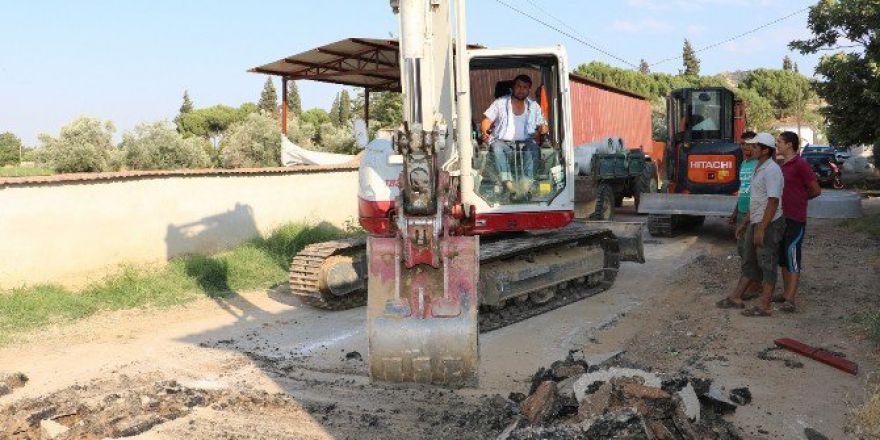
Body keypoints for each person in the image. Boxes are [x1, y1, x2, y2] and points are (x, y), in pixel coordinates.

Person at [717, 133, 786, 316]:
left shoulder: (772, 170)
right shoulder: (758, 167)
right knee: (749, 259)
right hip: (756, 220)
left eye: (755, 147)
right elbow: (756, 200)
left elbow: (773, 201)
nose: (751, 149)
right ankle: (736, 297)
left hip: (768, 223)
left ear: (765, 150)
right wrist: (745, 222)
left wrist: (762, 228)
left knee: (767, 262)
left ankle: (764, 305)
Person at [480, 74, 549, 198]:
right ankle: (510, 187)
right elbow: (486, 121)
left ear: (529, 90)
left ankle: (526, 187)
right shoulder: (500, 103)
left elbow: (542, 125)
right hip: (503, 142)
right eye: (518, 86)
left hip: (526, 142)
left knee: (533, 148)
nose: (521, 90)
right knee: (496, 148)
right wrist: (484, 131)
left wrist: (543, 128)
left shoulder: (534, 106)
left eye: (525, 87)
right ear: (513, 87)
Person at [775, 131, 820, 312]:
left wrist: (800, 199)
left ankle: (791, 299)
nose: (776, 144)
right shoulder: (781, 165)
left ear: (789, 145)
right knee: (783, 257)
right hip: (781, 217)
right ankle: (786, 294)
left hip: (795, 218)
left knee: (792, 255)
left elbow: (815, 190)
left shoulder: (800, 164)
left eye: (779, 142)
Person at [728, 131, 760, 298]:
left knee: (750, 252)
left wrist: (747, 216)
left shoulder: (758, 165)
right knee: (742, 250)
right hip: (741, 212)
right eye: (743, 144)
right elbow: (743, 191)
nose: (745, 148)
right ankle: (752, 283)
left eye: (749, 145)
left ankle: (755, 286)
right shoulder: (744, 164)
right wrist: (735, 212)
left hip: (753, 214)